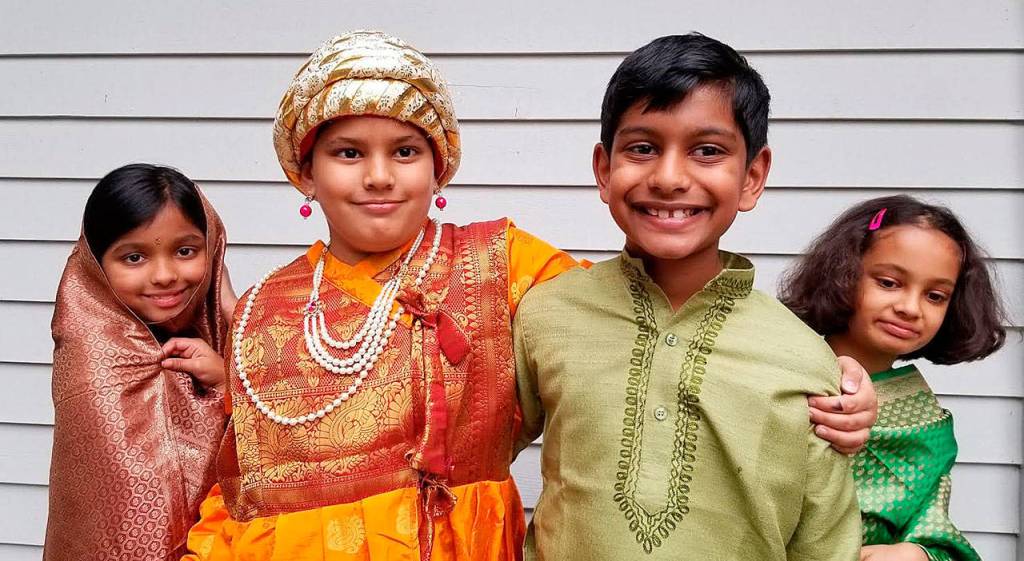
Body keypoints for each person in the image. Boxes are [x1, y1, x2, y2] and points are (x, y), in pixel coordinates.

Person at [184, 30, 874, 561]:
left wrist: (841, 369)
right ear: (305, 172)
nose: (379, 176)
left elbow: (643, 308)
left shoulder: (503, 266)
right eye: (347, 153)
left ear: (438, 166)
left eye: (405, 151)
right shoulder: (266, 304)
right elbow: (244, 471)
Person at [513, 33, 865, 560]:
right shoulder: (546, 313)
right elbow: (458, 452)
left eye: (707, 151)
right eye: (643, 148)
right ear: (604, 170)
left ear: (752, 176)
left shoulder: (806, 361)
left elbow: (826, 546)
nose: (670, 178)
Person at [780, 195, 1006, 561]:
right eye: (888, 283)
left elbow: (934, 530)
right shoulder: (780, 369)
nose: (910, 308)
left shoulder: (925, 424)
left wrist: (916, 553)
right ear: (844, 274)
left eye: (935, 296)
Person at [46, 163, 234, 560]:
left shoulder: (231, 338)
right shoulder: (92, 359)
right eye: (134, 257)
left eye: (185, 251)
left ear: (212, 247)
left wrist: (227, 373)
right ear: (95, 267)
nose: (164, 275)